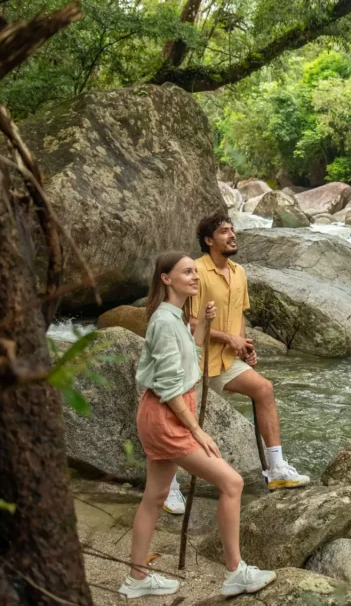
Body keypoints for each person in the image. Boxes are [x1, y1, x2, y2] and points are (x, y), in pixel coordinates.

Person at [120, 251, 276, 599]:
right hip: (167, 416)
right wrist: (197, 430)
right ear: (166, 278)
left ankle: (137, 578)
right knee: (232, 482)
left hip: (164, 414)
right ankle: (235, 571)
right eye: (186, 272)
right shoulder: (162, 321)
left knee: (155, 495)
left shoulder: (175, 316)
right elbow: (168, 386)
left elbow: (193, 351)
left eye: (195, 271)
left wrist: (204, 322)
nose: (194, 277)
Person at [162, 213, 308, 516]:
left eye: (233, 230)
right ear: (208, 241)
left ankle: (276, 467)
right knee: (181, 423)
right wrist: (230, 338)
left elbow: (239, 315)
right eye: (224, 231)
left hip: (226, 361)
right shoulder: (195, 272)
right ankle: (168, 487)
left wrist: (244, 347)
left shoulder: (239, 272)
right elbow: (188, 321)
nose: (232, 235)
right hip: (194, 360)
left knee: (264, 389)